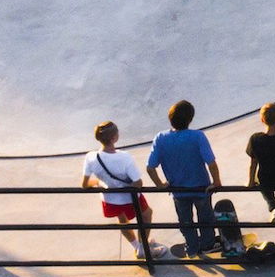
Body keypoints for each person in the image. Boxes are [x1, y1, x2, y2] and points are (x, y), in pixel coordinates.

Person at [145, 99, 222, 256]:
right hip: (201, 188)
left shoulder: (160, 138)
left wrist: (160, 184)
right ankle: (207, 245)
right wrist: (217, 182)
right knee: (205, 219)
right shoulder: (198, 136)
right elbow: (211, 163)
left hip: (178, 191)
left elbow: (150, 168)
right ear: (190, 119)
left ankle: (192, 247)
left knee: (185, 221)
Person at [81, 121, 164, 259]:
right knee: (146, 215)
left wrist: (99, 182)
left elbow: (84, 184)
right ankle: (143, 247)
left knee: (122, 220)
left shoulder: (91, 157)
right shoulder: (124, 157)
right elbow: (138, 182)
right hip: (129, 197)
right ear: (114, 138)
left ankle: (137, 246)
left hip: (109, 198)